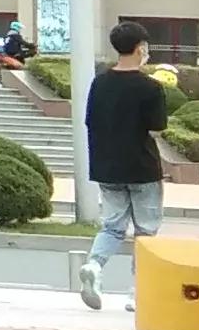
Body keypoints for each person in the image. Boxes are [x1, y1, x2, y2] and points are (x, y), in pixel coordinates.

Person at [74, 19, 172, 311]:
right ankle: (137, 293)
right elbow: (157, 129)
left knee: (112, 226)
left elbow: (90, 121)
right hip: (142, 168)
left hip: (107, 167)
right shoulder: (151, 87)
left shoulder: (99, 82)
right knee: (146, 231)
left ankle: (94, 265)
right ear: (140, 48)